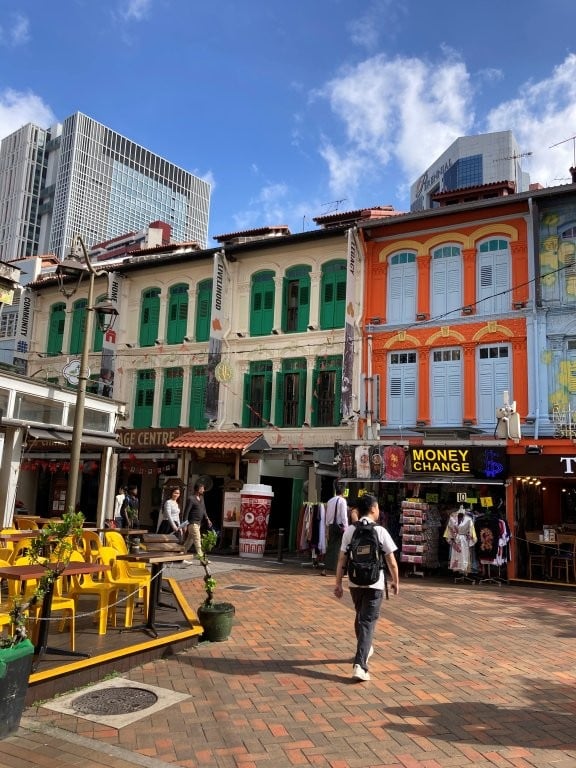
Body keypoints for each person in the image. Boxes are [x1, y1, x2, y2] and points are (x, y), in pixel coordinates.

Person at [334, 494, 399, 683]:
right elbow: (391, 561)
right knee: (367, 621)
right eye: (377, 507)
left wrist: (338, 583)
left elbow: (342, 559)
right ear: (373, 509)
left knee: (361, 616)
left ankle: (366, 647)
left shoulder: (350, 531)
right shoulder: (380, 531)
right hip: (375, 582)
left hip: (355, 582)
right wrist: (396, 581)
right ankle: (360, 665)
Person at [321, 483, 348, 576]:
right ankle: (339, 570)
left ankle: (326, 569)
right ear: (343, 491)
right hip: (340, 527)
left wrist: (327, 527)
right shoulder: (342, 501)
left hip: (331, 526)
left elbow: (327, 516)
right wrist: (346, 528)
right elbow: (344, 516)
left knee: (331, 547)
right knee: (341, 548)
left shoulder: (330, 501)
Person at [182, 482, 212, 564]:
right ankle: (202, 560)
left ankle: (180, 555)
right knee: (197, 540)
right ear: (198, 489)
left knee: (189, 541)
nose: (204, 490)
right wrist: (184, 525)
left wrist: (207, 519)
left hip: (198, 523)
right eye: (202, 488)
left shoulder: (202, 498)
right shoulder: (191, 499)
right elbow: (186, 512)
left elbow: (204, 509)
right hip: (192, 523)